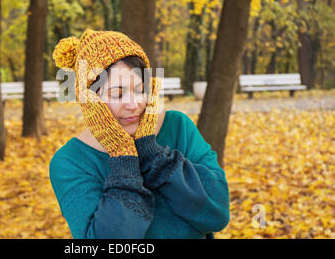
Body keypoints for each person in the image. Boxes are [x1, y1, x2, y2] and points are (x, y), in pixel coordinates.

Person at [49, 29, 230, 239]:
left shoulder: (179, 127)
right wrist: (123, 158)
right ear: (89, 100)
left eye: (140, 89)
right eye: (117, 94)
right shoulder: (70, 162)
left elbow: (217, 214)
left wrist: (152, 154)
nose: (134, 105)